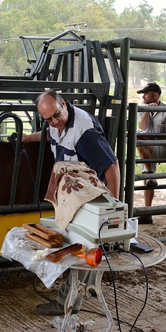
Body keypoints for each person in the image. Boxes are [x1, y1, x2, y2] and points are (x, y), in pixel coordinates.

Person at [23, 90, 121, 316]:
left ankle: (67, 302)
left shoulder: (84, 131)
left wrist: (112, 206)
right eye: (48, 119)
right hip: (74, 191)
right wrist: (29, 138)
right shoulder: (56, 124)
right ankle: (90, 286)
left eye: (56, 115)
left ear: (64, 104)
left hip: (91, 193)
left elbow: (112, 165)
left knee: (83, 245)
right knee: (83, 243)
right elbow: (51, 134)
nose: (54, 122)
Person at [135, 82, 166, 224]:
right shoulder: (142, 108)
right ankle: (147, 213)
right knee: (147, 172)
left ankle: (150, 173)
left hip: (162, 147)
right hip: (147, 147)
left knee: (140, 141)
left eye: (146, 93)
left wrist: (152, 138)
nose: (143, 96)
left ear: (155, 95)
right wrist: (146, 111)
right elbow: (142, 126)